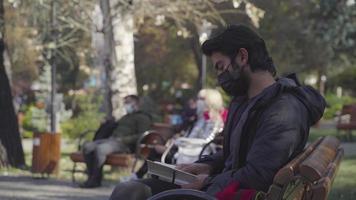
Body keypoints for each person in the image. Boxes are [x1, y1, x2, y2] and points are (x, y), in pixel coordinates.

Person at [109, 24, 326, 199]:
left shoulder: (283, 110)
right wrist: (205, 165)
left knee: (129, 192)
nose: (219, 76)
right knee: (130, 190)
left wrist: (207, 181)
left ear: (242, 57)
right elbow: (237, 155)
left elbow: (258, 175)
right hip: (221, 186)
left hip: (230, 193)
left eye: (221, 66)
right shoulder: (245, 101)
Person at [121, 88, 224, 181]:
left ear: (210, 101)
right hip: (186, 149)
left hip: (194, 153)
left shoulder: (214, 120)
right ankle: (146, 181)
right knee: (156, 157)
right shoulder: (198, 118)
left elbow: (206, 141)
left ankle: (140, 178)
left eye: (201, 98)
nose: (198, 101)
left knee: (156, 153)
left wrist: (180, 142)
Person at [80, 95, 152, 188]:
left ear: (136, 103)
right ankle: (91, 177)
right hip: (112, 140)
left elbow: (142, 135)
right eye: (125, 103)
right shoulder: (125, 117)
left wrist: (124, 139)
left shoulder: (143, 117)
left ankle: (95, 180)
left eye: (128, 102)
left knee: (100, 149)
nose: (126, 105)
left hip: (125, 145)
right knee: (87, 146)